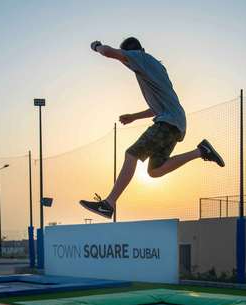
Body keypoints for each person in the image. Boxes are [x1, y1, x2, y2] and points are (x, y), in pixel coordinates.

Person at [80, 37, 224, 219]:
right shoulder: (153, 69)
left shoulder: (140, 58)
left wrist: (96, 46)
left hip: (168, 122)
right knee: (154, 170)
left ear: (132, 53)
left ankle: (109, 204)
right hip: (175, 123)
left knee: (131, 154)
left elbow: (109, 52)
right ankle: (201, 151)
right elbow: (156, 108)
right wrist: (134, 117)